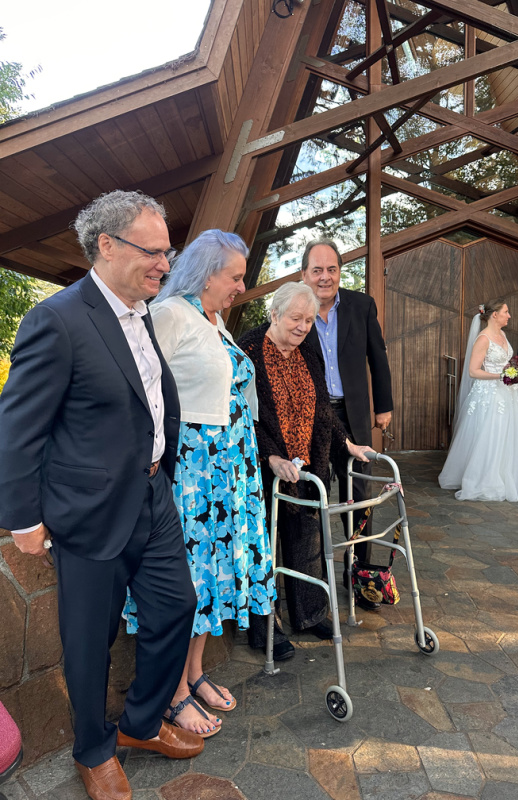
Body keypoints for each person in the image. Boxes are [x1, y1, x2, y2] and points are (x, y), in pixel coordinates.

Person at [0, 190, 205, 800]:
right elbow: (18, 429)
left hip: (153, 496)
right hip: (88, 511)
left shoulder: (143, 312)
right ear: (107, 245)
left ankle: (140, 723)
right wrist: (22, 518)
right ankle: (93, 749)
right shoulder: (57, 319)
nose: (165, 265)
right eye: (153, 251)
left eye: (168, 253)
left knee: (177, 607)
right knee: (89, 641)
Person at [123, 230, 275, 735]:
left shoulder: (215, 320)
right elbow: (137, 388)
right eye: (235, 277)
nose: (241, 287)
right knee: (187, 575)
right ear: (207, 275)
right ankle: (172, 692)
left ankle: (193, 674)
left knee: (211, 574)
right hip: (195, 471)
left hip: (229, 469)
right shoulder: (170, 314)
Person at [238, 282, 373, 660]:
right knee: (263, 549)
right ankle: (266, 627)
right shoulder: (248, 351)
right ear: (274, 314)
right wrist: (271, 457)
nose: (302, 326)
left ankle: (310, 613)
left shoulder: (308, 351)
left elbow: (323, 409)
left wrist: (347, 444)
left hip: (307, 465)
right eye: (295, 318)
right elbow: (245, 417)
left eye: (309, 320)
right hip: (266, 468)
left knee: (308, 541)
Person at [301, 239, 393, 610]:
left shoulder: (361, 305)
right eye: (317, 270)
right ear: (304, 275)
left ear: (340, 271)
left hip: (354, 417)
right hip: (312, 421)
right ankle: (314, 582)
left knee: (360, 499)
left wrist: (383, 407)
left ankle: (359, 576)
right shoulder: (296, 308)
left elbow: (378, 357)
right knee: (313, 497)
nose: (325, 277)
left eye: (332, 269)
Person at [439, 300, 518, 502]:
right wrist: (501, 376)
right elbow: (473, 371)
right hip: (490, 395)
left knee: (508, 435)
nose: (509, 315)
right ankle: (487, 479)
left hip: (510, 394)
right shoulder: (483, 339)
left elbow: (507, 364)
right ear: (494, 315)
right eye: (506, 312)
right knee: (491, 435)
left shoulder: (503, 335)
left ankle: (508, 477)